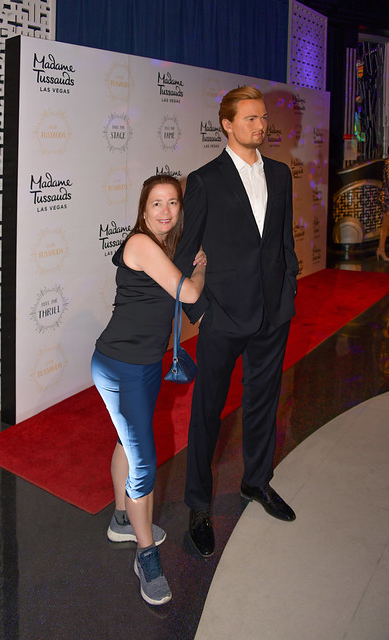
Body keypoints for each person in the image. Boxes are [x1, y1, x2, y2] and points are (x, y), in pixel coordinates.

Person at [174, 86, 299, 557]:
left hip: (272, 313)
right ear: (227, 124)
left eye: (262, 118)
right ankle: (199, 507)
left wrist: (287, 291)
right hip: (222, 316)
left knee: (263, 403)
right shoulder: (204, 180)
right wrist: (200, 312)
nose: (260, 126)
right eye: (250, 119)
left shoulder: (283, 176)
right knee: (207, 413)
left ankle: (256, 482)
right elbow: (185, 254)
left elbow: (283, 242)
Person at [91, 175, 206, 604]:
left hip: (141, 365)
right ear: (143, 211)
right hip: (121, 367)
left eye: (172, 203)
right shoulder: (141, 245)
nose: (164, 211)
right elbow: (191, 293)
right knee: (144, 462)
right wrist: (202, 264)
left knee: (127, 438)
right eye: (156, 203)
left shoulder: (163, 249)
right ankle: (145, 557)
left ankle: (122, 519)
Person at [377, 156, 389, 261]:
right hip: (387, 197)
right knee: (385, 225)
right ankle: (381, 250)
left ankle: (381, 249)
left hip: (386, 196)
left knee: (385, 225)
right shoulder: (388, 162)